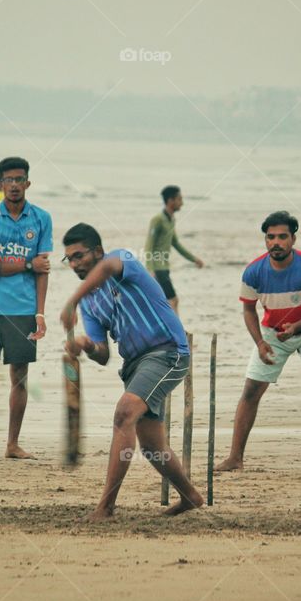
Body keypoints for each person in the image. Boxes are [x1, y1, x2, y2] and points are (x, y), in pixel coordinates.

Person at [59, 223, 204, 521]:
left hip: (168, 352)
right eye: (69, 259)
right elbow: (103, 355)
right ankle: (190, 496)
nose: (74, 264)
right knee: (151, 446)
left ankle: (106, 507)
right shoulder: (89, 303)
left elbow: (109, 267)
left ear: (97, 251)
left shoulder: (120, 260)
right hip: (135, 365)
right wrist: (85, 344)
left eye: (78, 256)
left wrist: (71, 299)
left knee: (124, 413)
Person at [215, 211, 301, 474]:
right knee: (252, 390)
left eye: (282, 237)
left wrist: (298, 327)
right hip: (273, 333)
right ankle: (235, 458)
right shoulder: (253, 271)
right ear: (265, 240)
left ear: (293, 239)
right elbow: (249, 311)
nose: (276, 242)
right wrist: (260, 344)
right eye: (270, 237)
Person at [0, 157, 52, 460]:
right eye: (9, 180)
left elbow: (43, 270)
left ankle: (12, 444)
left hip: (24, 309)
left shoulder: (42, 218)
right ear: (1, 184)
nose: (15, 185)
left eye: (20, 180)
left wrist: (40, 314)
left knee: (20, 377)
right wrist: (27, 263)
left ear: (28, 183)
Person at [143, 185, 204, 312]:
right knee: (173, 301)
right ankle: (175, 331)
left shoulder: (171, 219)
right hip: (157, 268)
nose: (182, 203)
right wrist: (150, 270)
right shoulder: (158, 220)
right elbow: (149, 246)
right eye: (179, 199)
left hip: (164, 268)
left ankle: (168, 330)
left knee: (163, 303)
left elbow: (176, 244)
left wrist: (194, 259)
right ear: (171, 201)